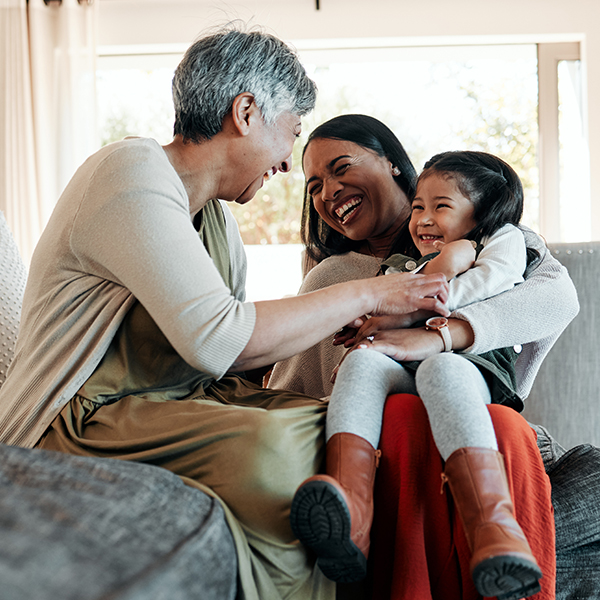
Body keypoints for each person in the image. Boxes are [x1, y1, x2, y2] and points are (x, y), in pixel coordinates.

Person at [0, 31, 452, 600]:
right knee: (277, 448)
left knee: (335, 425)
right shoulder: (128, 171)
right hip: (73, 417)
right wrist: (368, 295)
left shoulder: (216, 223)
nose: (288, 162)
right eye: (290, 132)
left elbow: (226, 358)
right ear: (246, 112)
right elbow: (220, 340)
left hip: (165, 405)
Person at [269, 114, 579, 599]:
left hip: (479, 413)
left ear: (392, 162)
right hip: (384, 441)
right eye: (313, 185)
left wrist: (438, 334)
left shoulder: (485, 235)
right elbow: (294, 390)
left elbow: (556, 301)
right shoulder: (333, 276)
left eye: (341, 167)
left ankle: (493, 534)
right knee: (375, 379)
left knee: (538, 444)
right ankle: (351, 509)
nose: (328, 191)